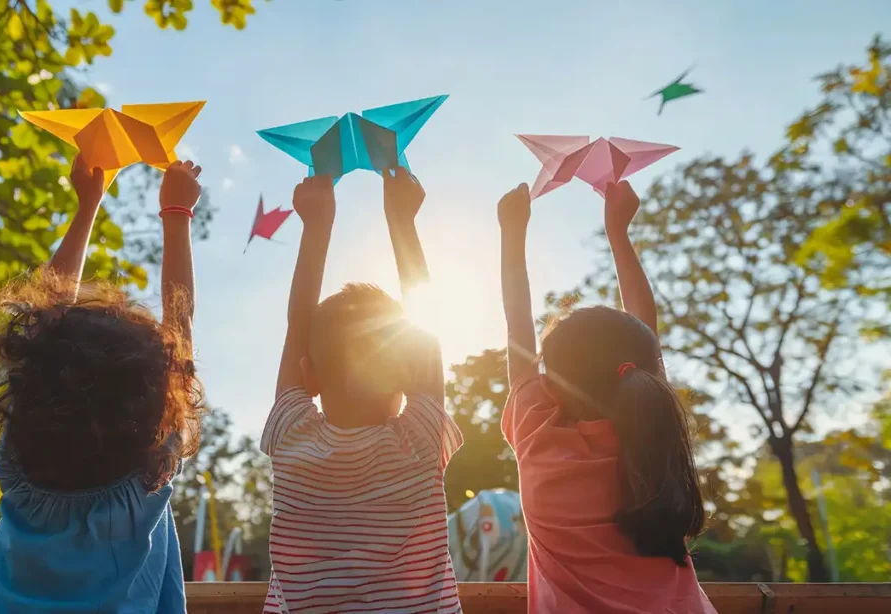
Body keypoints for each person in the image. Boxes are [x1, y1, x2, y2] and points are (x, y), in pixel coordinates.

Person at [0, 156, 206, 613]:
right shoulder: (148, 475)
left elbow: (44, 324)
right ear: (157, 392)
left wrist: (87, 204)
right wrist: (177, 215)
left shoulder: (16, 467)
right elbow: (181, 328)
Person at [497, 180, 717, 614]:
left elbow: (517, 326)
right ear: (643, 369)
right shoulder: (654, 437)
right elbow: (644, 339)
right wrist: (618, 232)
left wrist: (512, 233)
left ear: (552, 384)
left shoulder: (539, 437)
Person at [260, 168, 464, 613]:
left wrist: (316, 226)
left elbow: (298, 326)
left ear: (308, 375)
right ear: (408, 371)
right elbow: (427, 331)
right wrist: (402, 221)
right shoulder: (420, 443)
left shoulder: (291, 436)